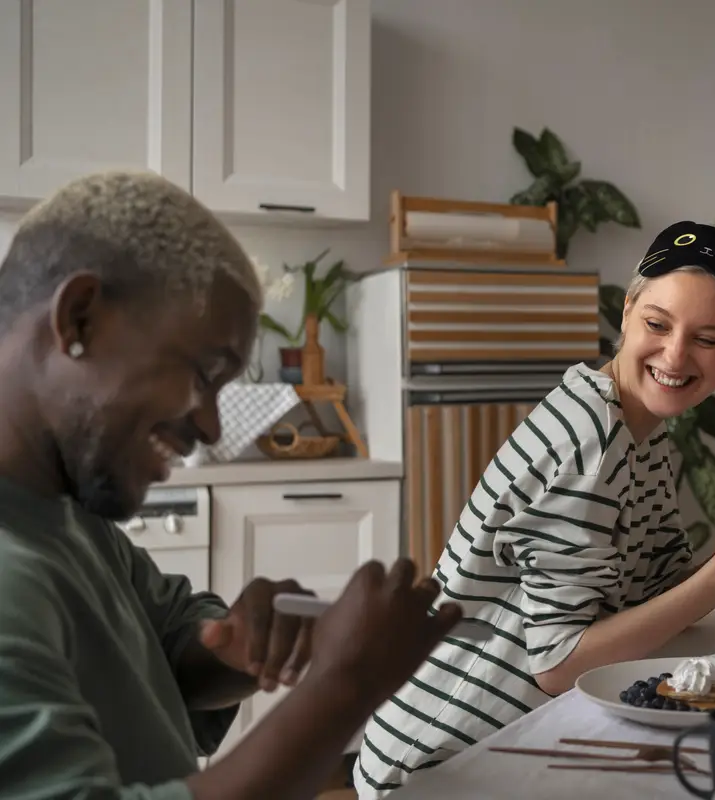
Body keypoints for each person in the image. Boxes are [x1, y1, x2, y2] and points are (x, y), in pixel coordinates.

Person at [0, 170, 463, 800]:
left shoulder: (67, 515)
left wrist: (234, 647)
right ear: (79, 318)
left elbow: (166, 652)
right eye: (204, 373)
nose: (211, 424)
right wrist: (347, 682)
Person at [355, 221, 715, 795]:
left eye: (708, 339)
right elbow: (559, 666)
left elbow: (659, 605)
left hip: (507, 742)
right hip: (439, 764)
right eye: (657, 324)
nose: (676, 354)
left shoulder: (644, 439)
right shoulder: (590, 443)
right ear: (627, 312)